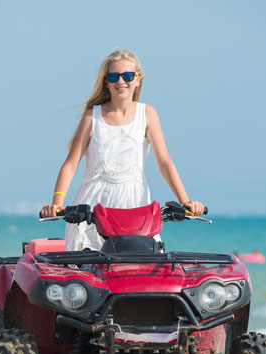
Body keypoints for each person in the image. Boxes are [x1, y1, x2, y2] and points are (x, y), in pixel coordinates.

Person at [40, 49, 204, 250]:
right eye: (113, 76)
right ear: (106, 82)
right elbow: (71, 164)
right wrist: (57, 203)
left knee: (141, 269)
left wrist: (185, 202)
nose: (121, 81)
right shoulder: (92, 116)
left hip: (134, 206)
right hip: (93, 208)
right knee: (88, 273)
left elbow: (164, 163)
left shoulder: (147, 114)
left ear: (137, 79)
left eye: (127, 76)